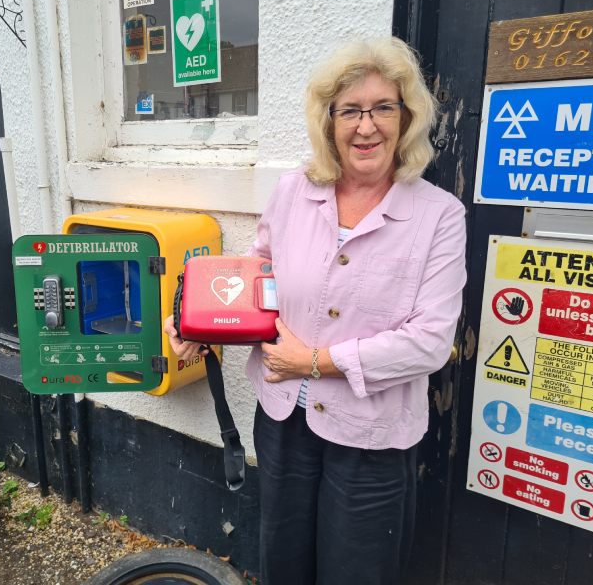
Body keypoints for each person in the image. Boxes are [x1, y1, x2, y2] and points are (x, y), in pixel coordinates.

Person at [164, 37, 466, 585]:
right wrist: (196, 323)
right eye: (350, 110)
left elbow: (430, 341)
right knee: (284, 561)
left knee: (357, 571)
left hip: (371, 434)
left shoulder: (439, 216)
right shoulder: (294, 191)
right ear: (330, 121)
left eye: (382, 107)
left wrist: (317, 361)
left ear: (407, 117)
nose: (366, 126)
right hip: (283, 420)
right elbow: (255, 279)